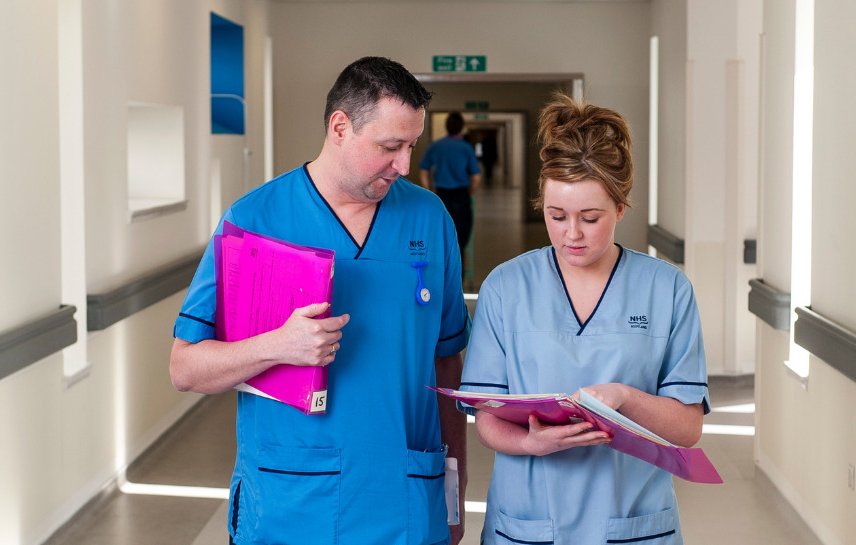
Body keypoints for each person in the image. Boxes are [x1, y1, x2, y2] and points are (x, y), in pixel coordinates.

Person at [170, 56, 470, 545]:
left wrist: (452, 489)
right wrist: (276, 346)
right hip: (290, 507)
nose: (405, 165)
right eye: (390, 147)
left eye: (411, 146)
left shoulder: (428, 218)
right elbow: (185, 369)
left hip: (406, 500)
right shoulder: (255, 220)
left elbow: (446, 362)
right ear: (340, 127)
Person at [457, 93, 708, 544]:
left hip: (632, 519)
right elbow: (488, 416)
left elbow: (688, 429)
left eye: (590, 218)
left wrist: (624, 398)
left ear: (621, 209)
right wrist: (530, 443)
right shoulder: (505, 287)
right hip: (528, 522)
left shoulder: (667, 289)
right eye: (557, 216)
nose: (571, 234)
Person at [419, 112, 481, 275]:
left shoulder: (436, 146)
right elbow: (476, 177)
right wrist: (470, 192)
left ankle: (439, 274)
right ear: (461, 128)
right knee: (460, 240)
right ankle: (457, 279)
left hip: (441, 196)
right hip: (461, 196)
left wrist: (429, 191)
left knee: (440, 237)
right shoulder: (466, 148)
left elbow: (424, 170)